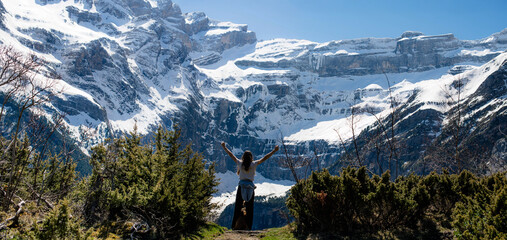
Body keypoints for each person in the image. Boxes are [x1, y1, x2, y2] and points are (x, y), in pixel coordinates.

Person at [220, 142, 279, 230]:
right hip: (250, 188)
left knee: (238, 206)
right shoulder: (254, 164)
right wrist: (274, 151)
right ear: (251, 157)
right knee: (250, 208)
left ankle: (233, 226)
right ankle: (249, 227)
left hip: (241, 186)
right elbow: (264, 158)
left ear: (243, 157)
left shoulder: (240, 163)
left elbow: (231, 155)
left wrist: (224, 147)